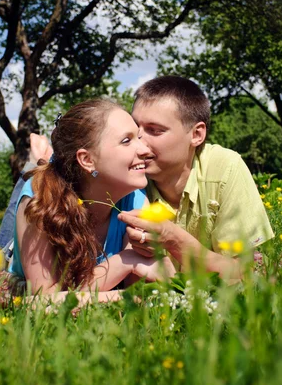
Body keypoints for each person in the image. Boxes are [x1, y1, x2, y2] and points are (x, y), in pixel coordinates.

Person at [10, 99, 176, 301]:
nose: (145, 150)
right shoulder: (39, 200)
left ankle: (46, 159)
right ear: (88, 160)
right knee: (28, 180)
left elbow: (135, 292)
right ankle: (41, 159)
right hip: (34, 215)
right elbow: (40, 298)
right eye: (127, 141)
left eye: (139, 138)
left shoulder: (136, 201)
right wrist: (125, 260)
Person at [117, 76, 274, 278]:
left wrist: (173, 239)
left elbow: (243, 274)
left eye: (155, 130)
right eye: (135, 128)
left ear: (196, 134)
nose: (139, 141)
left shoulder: (225, 168)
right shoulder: (126, 177)